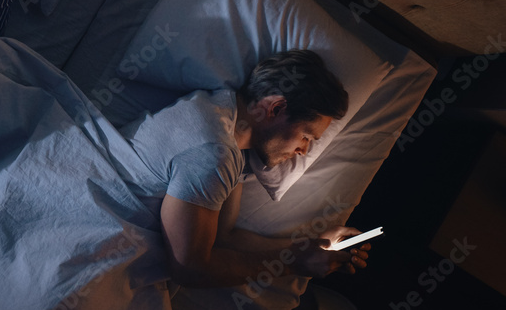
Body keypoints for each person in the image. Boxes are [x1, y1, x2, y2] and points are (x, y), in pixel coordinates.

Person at [119, 49, 371, 288]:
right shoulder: (215, 153)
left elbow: (225, 237)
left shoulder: (220, 112)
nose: (303, 151)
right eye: (306, 136)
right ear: (276, 108)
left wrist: (316, 245)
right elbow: (189, 269)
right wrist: (292, 264)